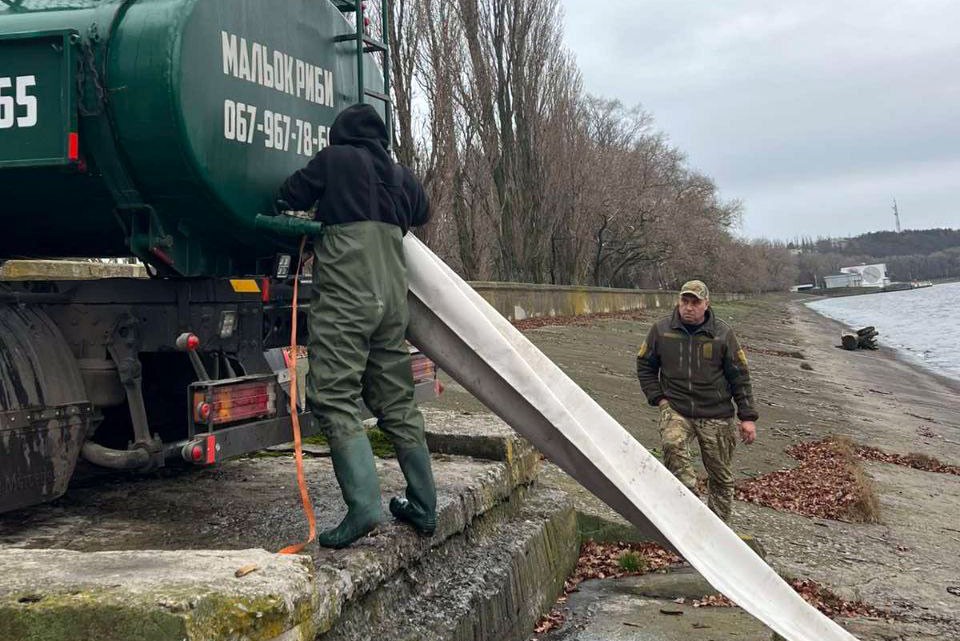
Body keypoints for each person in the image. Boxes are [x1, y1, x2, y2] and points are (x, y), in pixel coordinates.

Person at [276, 103, 435, 548]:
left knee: (333, 396)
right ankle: (423, 505)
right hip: (391, 303)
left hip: (348, 300)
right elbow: (420, 212)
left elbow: (291, 193)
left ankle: (364, 508)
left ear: (340, 135)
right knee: (397, 402)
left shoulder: (336, 160)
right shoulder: (401, 176)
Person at [635, 280, 758, 522]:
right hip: (677, 408)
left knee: (720, 475)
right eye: (685, 301)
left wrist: (747, 417)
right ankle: (689, 503)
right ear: (679, 302)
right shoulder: (661, 330)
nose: (689, 307)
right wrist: (659, 399)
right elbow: (644, 365)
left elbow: (740, 376)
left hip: (716, 412)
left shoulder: (722, 334)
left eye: (695, 302)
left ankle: (718, 527)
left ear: (706, 304)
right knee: (672, 444)